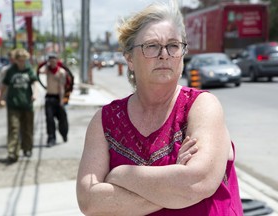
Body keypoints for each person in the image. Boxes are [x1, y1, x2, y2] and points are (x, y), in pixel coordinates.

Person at [76, 1, 243, 215]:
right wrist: (173, 184)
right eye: (151, 46)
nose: (164, 54)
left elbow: (195, 184)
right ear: (129, 58)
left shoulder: (201, 106)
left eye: (173, 45)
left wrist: (121, 176)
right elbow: (89, 201)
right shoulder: (105, 121)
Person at [0, 48, 38, 164]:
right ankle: (13, 153)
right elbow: (3, 85)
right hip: (13, 104)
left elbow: (35, 82)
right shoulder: (11, 71)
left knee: (27, 128)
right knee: (14, 128)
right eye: (19, 60)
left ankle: (27, 148)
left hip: (27, 104)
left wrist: (35, 93)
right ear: (15, 60)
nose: (21, 62)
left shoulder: (29, 70)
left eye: (24, 60)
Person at [38, 54, 68, 147]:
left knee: (62, 119)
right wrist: (45, 63)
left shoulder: (61, 72)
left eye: (53, 60)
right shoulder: (47, 70)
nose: (52, 62)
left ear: (57, 60)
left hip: (58, 98)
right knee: (49, 120)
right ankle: (51, 138)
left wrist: (61, 100)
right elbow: (39, 71)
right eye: (50, 60)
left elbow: (62, 87)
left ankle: (64, 134)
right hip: (49, 97)